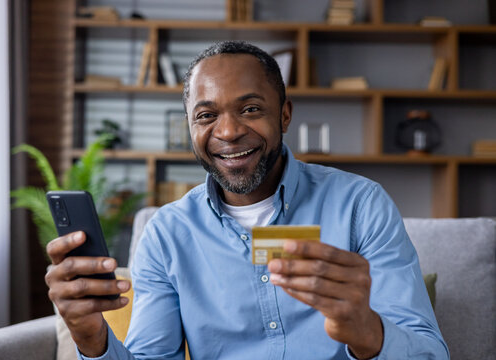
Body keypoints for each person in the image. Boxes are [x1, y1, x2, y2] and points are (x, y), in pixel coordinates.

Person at [45, 41, 449, 360]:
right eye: (206, 115)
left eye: (251, 109)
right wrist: (92, 340)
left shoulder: (360, 206)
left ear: (285, 115)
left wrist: (368, 332)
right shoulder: (166, 235)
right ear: (189, 125)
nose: (229, 132)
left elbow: (431, 354)